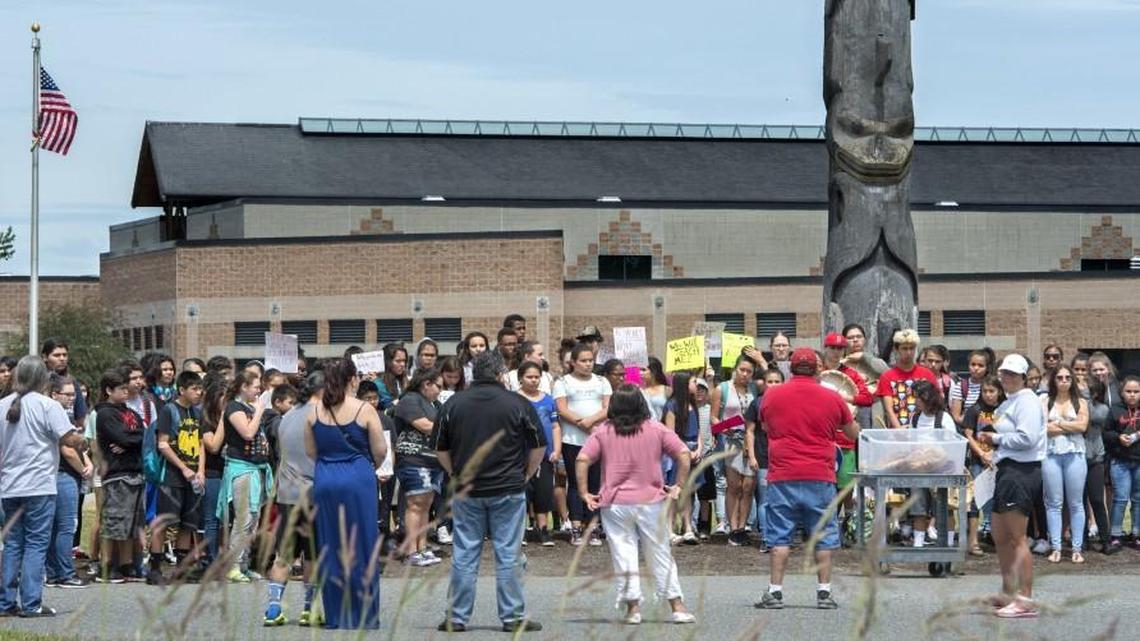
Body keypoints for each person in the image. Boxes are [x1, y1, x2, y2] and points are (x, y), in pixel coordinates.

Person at [434, 352, 546, 634]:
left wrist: (453, 474)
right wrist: (527, 474)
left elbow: (440, 448)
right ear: (500, 375)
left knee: (465, 552)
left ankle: (456, 617)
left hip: (467, 489)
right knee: (508, 554)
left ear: (473, 374)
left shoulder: (453, 404)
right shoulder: (517, 403)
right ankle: (512, 617)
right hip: (508, 487)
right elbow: (539, 445)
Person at [577, 385, 695, 625]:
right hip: (651, 500)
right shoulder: (656, 429)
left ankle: (632, 608)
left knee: (624, 553)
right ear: (642, 403)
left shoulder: (604, 431)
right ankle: (677, 605)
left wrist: (584, 493)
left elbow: (582, 458)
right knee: (660, 552)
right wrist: (679, 486)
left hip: (615, 503)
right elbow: (683, 454)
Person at [754, 348, 858, 610]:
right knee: (823, 534)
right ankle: (824, 592)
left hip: (783, 473)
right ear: (817, 369)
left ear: (791, 369)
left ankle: (775, 591)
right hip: (820, 474)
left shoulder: (772, 395)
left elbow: (765, 427)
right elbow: (852, 433)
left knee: (780, 537)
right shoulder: (832, 397)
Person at [0, 357, 90, 616]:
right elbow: (68, 438)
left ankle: (5, 603)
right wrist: (83, 443)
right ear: (42, 379)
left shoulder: (3, 405)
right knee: (36, 543)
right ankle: (31, 603)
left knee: (13, 544)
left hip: (10, 487)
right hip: (39, 485)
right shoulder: (48, 406)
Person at [305, 357, 387, 630]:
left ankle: (337, 615)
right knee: (362, 544)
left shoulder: (314, 411)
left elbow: (311, 452)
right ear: (353, 379)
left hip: (326, 478)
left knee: (331, 545)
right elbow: (380, 450)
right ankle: (363, 615)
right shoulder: (364, 409)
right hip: (357, 477)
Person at [974, 353, 1046, 619]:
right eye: (1004, 372)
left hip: (1022, 471)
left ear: (1024, 377)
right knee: (1000, 535)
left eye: (1013, 374)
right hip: (1006, 469)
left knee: (1017, 538)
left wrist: (995, 439)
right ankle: (1008, 592)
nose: (1007, 377)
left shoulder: (1027, 401)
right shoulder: (1010, 402)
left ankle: (1025, 599)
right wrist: (995, 451)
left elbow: (1027, 438)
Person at [264, 371, 323, 627]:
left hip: (287, 494)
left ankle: (273, 608)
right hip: (312, 493)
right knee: (312, 556)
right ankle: (309, 609)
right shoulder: (320, 417)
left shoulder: (286, 418)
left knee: (284, 555)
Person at [147, 371, 206, 585]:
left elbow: (200, 443)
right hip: (172, 476)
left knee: (188, 523)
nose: (199, 393)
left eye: (200, 389)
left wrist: (200, 470)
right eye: (194, 389)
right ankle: (154, 567)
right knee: (164, 521)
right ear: (182, 390)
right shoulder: (169, 411)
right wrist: (183, 468)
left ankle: (182, 567)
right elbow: (163, 444)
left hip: (192, 475)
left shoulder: (197, 413)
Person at [553, 343, 612, 546]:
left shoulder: (601, 381)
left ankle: (592, 526)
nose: (588, 365)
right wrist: (582, 424)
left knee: (595, 482)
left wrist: (592, 421)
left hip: (597, 438)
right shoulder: (563, 382)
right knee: (575, 482)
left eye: (590, 361)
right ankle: (576, 525)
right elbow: (562, 409)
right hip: (572, 439)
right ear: (573, 362)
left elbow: (607, 407)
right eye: (583, 361)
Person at [218, 370, 273, 583]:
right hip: (242, 468)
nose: (258, 391)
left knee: (254, 520)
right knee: (243, 518)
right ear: (243, 387)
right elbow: (248, 433)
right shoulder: (234, 407)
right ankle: (233, 565)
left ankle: (244, 563)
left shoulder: (250, 407)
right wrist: (259, 410)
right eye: (256, 387)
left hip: (257, 467)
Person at [95, 368, 147, 584]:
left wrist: (131, 440)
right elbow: (120, 438)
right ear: (109, 390)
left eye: (127, 388)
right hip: (116, 474)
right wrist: (130, 440)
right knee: (113, 521)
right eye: (121, 389)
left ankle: (127, 564)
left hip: (135, 471)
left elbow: (145, 433)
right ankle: (107, 564)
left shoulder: (132, 413)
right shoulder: (105, 413)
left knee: (132, 523)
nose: (126, 392)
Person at [393, 367, 445, 566]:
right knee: (415, 504)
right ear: (426, 384)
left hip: (432, 461)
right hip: (413, 459)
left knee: (425, 505)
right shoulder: (410, 399)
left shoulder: (434, 404)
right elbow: (424, 425)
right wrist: (450, 426)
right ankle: (410, 550)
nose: (440, 391)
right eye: (438, 386)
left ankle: (422, 548)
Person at [45, 375, 92, 589]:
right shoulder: (56, 414)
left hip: (56, 474)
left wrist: (87, 460)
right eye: (68, 394)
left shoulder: (56, 413)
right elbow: (67, 449)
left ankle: (53, 572)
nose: (73, 398)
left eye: (75, 394)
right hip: (63, 473)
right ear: (54, 394)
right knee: (66, 526)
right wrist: (83, 469)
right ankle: (65, 573)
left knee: (55, 527)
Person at [1040, 364, 1088, 563]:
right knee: (1053, 503)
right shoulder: (1045, 400)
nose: (1064, 381)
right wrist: (1070, 425)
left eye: (1068, 377)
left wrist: (1058, 424)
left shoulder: (1081, 402)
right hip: (1051, 454)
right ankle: (1056, 547)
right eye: (1059, 377)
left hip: (1075, 454)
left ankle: (1076, 548)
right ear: (1054, 380)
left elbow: (1082, 426)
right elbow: (1042, 428)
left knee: (1076, 503)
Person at [710, 354, 758, 545]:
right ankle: (733, 526)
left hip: (751, 441)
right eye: (742, 370)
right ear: (734, 369)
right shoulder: (722, 389)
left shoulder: (753, 389)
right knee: (734, 485)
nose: (745, 374)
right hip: (730, 441)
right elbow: (713, 418)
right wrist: (724, 427)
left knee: (748, 487)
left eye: (749, 371)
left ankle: (742, 527)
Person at [516, 361, 559, 546]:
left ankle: (542, 528)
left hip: (545, 454)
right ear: (520, 379)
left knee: (544, 490)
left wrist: (556, 449)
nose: (533, 381)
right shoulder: (514, 399)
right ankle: (522, 529)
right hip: (521, 454)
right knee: (523, 491)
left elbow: (556, 426)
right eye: (529, 377)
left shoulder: (549, 400)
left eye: (536, 377)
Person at [960, 375, 1005, 555]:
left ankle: (997, 537)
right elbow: (968, 434)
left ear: (999, 391)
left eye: (992, 391)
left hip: (1000, 459)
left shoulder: (1004, 409)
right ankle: (973, 541)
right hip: (979, 460)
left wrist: (994, 454)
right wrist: (981, 453)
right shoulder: (974, 410)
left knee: (998, 499)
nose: (988, 395)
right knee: (975, 500)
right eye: (985, 391)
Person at [664, 372, 703, 545]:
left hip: (693, 451)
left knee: (688, 491)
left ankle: (688, 527)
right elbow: (670, 434)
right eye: (693, 381)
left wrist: (699, 448)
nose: (696, 384)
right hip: (677, 454)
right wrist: (685, 450)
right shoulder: (671, 405)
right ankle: (669, 529)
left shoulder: (693, 405)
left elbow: (699, 430)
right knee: (673, 491)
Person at [1104, 376, 1140, 554]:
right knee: (1120, 499)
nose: (1132, 395)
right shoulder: (1115, 410)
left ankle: (1136, 534)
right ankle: (1116, 535)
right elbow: (1106, 432)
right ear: (1122, 393)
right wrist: (1118, 437)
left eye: (1136, 391)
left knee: (1138, 499)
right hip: (1120, 462)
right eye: (1129, 391)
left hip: (1139, 461)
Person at [877, 329, 937, 430]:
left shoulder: (927, 375)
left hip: (923, 429)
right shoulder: (887, 377)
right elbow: (889, 409)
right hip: (897, 431)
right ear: (896, 350)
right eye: (904, 349)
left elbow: (934, 402)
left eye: (912, 348)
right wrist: (899, 429)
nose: (909, 352)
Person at [1084, 377, 1111, 553]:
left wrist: (1084, 400)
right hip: (1078, 458)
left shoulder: (1102, 408)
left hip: (1095, 459)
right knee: (1078, 501)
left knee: (1096, 499)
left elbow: (1092, 417)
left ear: (1095, 393)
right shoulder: (1075, 405)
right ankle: (1083, 537)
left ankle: (1105, 538)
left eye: (1088, 391)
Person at [41, 338, 88, 428]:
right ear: (45, 357)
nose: (62, 359)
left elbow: (80, 418)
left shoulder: (72, 383)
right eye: (57, 355)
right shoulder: (38, 382)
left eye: (64, 355)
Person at [950, 350, 992, 426]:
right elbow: (956, 417)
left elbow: (997, 413)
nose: (976, 368)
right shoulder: (961, 386)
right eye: (973, 364)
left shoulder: (992, 386)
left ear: (987, 368)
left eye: (980, 365)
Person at [376, 344, 409, 410]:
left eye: (404, 361)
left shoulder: (407, 380)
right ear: (387, 361)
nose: (402, 364)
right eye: (398, 361)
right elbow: (387, 406)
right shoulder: (379, 383)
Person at [640, 357, 670, 422]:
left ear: (654, 371)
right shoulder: (640, 392)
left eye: (644, 370)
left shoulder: (667, 390)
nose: (640, 373)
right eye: (639, 370)